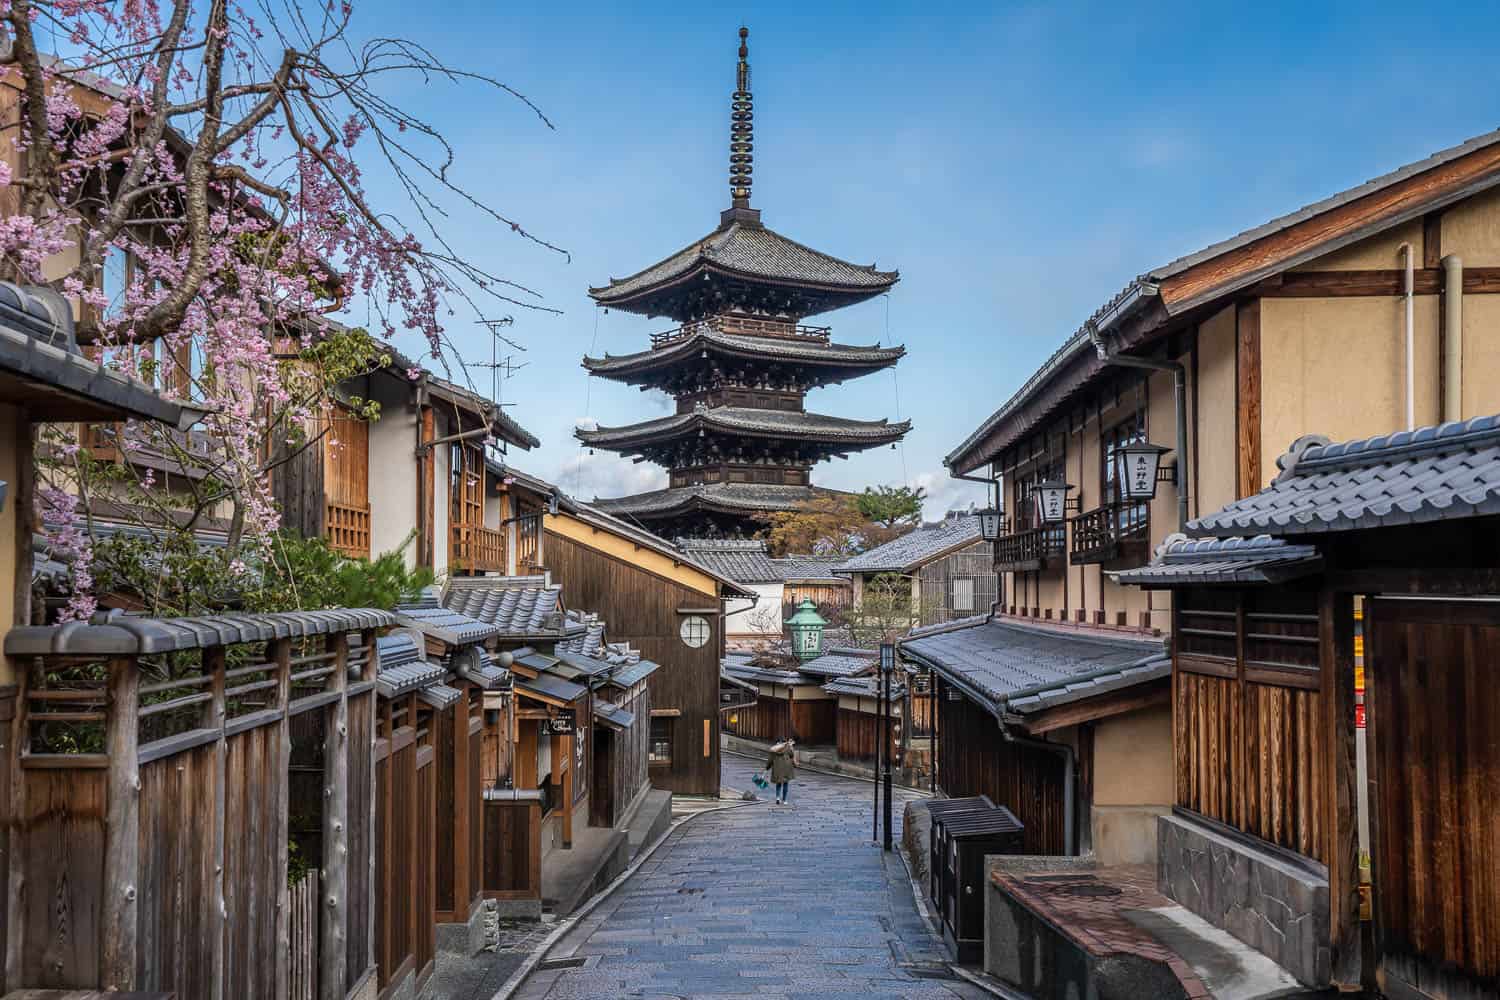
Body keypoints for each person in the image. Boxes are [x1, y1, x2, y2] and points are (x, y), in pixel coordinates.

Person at [766, 738, 796, 806]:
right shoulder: (787, 748)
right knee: (785, 784)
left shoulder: (773, 750)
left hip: (777, 769)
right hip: (787, 768)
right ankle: (784, 800)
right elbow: (792, 755)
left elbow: (770, 760)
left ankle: (777, 798)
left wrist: (767, 767)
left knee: (778, 784)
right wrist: (791, 746)